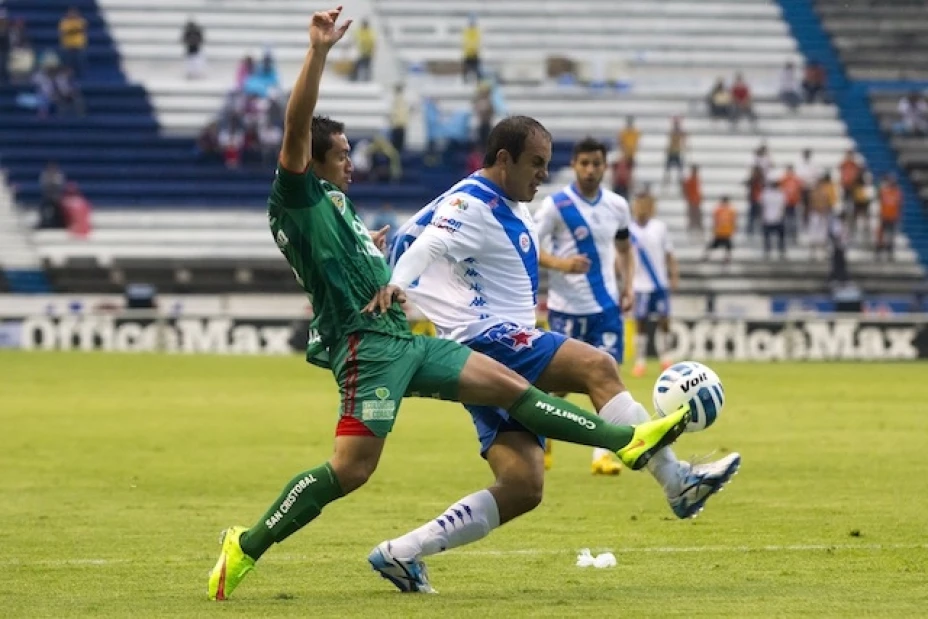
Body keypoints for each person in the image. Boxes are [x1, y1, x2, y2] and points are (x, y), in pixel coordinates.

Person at [207, 7, 691, 602]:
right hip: (368, 352)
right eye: (342, 154)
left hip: (408, 342)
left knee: (511, 387)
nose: (352, 163)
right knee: (351, 470)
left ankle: (628, 442)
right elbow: (297, 123)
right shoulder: (297, 194)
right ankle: (246, 545)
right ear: (313, 160)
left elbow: (361, 260)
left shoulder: (335, 209)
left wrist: (379, 251)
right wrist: (319, 52)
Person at [379, 122, 741, 590]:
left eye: (548, 166)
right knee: (598, 366)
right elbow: (429, 244)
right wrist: (395, 284)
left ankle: (402, 553)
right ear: (504, 159)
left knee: (523, 486)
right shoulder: (472, 203)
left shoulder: (496, 201)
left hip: (480, 353)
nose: (543, 176)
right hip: (493, 339)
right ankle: (677, 482)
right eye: (536, 164)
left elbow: (414, 236)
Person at [532, 137, 636, 475]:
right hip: (566, 309)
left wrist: (628, 286)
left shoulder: (618, 206)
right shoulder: (555, 206)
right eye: (584, 164)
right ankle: (542, 435)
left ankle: (602, 454)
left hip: (605, 308)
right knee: (558, 386)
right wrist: (561, 264)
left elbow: (624, 249)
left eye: (596, 164)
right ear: (575, 165)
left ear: (606, 166)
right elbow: (529, 248)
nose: (590, 170)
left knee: (607, 381)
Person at [629, 193, 678, 378]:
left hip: (659, 284)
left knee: (664, 321)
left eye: (645, 205)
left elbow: (669, 253)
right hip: (639, 285)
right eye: (638, 205)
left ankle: (666, 358)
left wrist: (673, 275)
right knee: (640, 323)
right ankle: (640, 361)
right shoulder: (629, 229)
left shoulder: (660, 228)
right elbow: (622, 255)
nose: (641, 209)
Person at [704, 196, 736, 263]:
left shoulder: (730, 210)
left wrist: (733, 229)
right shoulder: (719, 210)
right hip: (720, 232)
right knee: (713, 245)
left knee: (728, 246)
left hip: (726, 232)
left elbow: (733, 221)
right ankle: (706, 256)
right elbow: (715, 220)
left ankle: (727, 258)